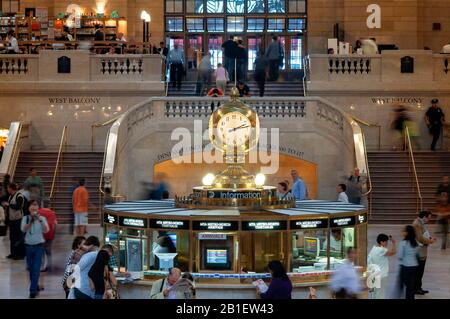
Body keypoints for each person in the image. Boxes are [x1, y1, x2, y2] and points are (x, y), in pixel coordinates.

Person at [20, 200, 49, 298]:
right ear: (29, 208)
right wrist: (31, 221)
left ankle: (32, 291)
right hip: (28, 247)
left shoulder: (42, 218)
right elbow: (23, 229)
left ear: (38, 208)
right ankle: (35, 286)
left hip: (39, 247)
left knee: (36, 269)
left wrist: (39, 220)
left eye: (36, 205)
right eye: (32, 205)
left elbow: (46, 230)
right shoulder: (25, 218)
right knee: (31, 269)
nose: (34, 207)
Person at [413, 211, 437, 295]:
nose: (429, 220)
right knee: (419, 271)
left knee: (420, 271)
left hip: (423, 250)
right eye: (428, 218)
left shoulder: (421, 223)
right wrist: (429, 241)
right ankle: (416, 288)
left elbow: (424, 234)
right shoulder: (417, 224)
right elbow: (419, 238)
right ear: (424, 217)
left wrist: (430, 238)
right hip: (419, 251)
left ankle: (419, 287)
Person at [367, 234, 397, 299]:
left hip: (374, 275)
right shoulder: (382, 250)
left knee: (374, 294)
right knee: (380, 295)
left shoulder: (373, 249)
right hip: (381, 276)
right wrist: (394, 243)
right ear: (381, 242)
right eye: (386, 241)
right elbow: (393, 252)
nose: (387, 243)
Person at [395, 225, 420, 299]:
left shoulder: (403, 243)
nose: (402, 232)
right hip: (414, 266)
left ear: (407, 233)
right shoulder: (416, 243)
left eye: (404, 231)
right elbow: (417, 254)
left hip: (405, 267)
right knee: (411, 286)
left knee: (404, 285)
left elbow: (400, 256)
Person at [5, 182, 27, 259]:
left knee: (18, 237)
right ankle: (13, 253)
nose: (7, 189)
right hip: (12, 220)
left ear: (11, 188)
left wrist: (9, 205)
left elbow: (18, 207)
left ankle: (20, 254)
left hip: (18, 220)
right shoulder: (10, 196)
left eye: (8, 187)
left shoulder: (19, 196)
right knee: (12, 237)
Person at [38, 199, 57, 272]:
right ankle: (49, 266)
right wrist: (54, 234)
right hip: (50, 233)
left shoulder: (39, 212)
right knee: (48, 250)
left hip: (41, 234)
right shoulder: (52, 213)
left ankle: (42, 266)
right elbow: (55, 224)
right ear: (49, 205)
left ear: (42, 204)